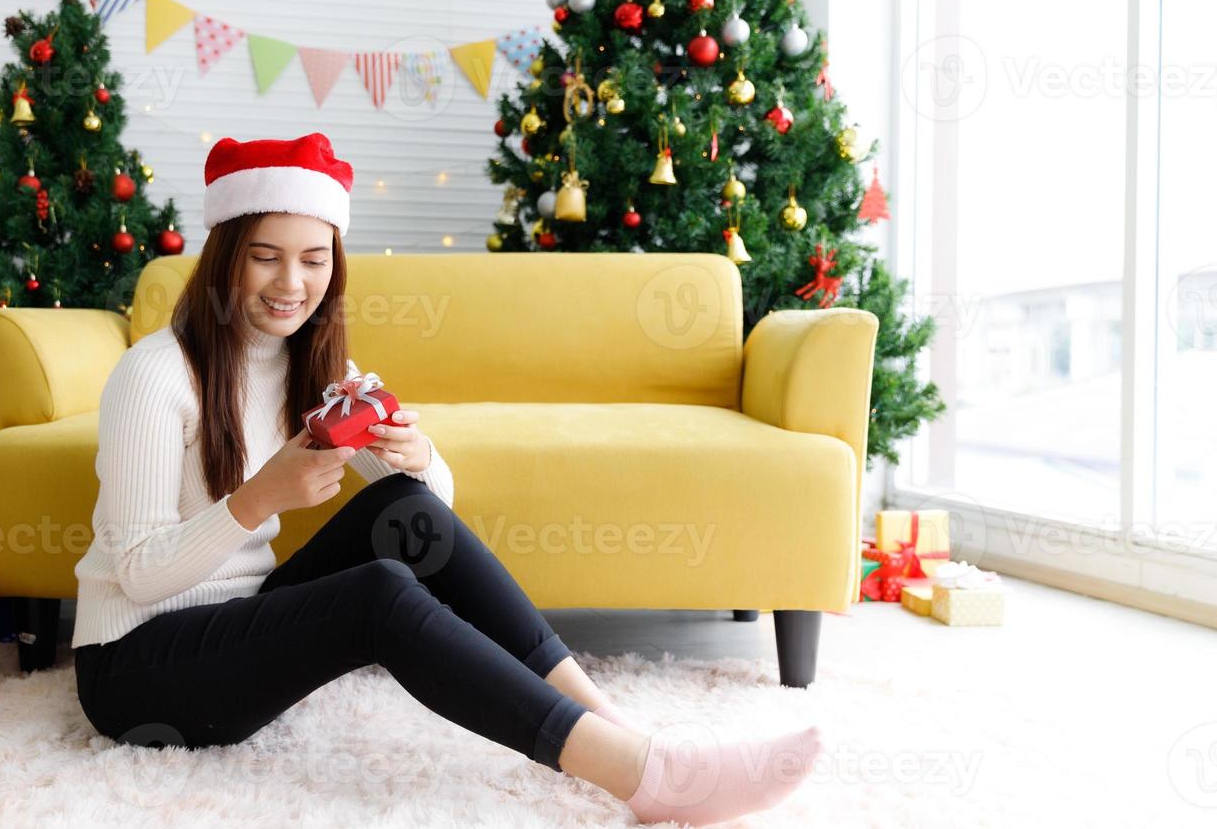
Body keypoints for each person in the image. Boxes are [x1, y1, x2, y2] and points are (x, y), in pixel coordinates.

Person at [70, 132, 823, 825]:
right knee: (376, 597)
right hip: (136, 670)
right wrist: (261, 497)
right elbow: (136, 576)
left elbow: (431, 521)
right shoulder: (153, 376)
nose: (291, 283)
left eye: (314, 258)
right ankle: (639, 775)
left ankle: (613, 725)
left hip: (240, 624)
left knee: (397, 507)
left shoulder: (308, 366)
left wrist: (416, 456)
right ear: (224, 255)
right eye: (265, 256)